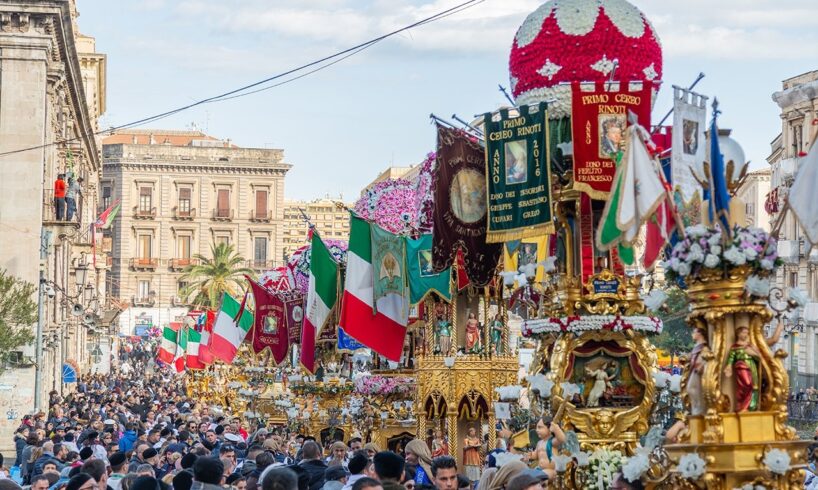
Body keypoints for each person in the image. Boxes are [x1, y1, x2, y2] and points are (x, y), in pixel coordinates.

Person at [687, 328, 708, 416]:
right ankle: (696, 408)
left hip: (698, 371)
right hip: (694, 370)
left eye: (694, 332)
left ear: (699, 334)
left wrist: (702, 364)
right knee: (690, 388)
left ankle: (699, 410)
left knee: (693, 389)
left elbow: (706, 357)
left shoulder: (703, 346)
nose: (692, 334)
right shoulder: (697, 346)